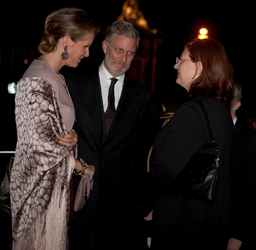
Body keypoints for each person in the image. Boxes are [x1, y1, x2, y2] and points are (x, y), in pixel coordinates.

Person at [10, 7, 101, 250]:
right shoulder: (36, 80)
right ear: (67, 41)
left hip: (52, 197)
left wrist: (71, 137)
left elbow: (54, 132)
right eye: (85, 45)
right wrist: (81, 166)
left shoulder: (55, 76)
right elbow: (41, 148)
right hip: (37, 198)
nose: (87, 53)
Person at [66, 20, 155, 250]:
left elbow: (138, 153)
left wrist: (141, 202)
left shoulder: (142, 96)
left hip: (117, 203)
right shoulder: (74, 84)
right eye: (118, 50)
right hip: (75, 194)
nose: (123, 59)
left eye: (130, 53)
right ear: (105, 47)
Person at [140, 37, 236, 250]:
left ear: (199, 67)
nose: (175, 65)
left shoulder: (192, 111)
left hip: (184, 222)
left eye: (181, 60)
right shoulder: (220, 109)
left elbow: (164, 168)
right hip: (208, 221)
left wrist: (146, 204)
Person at [227, 82, 256, 250]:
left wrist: (238, 236)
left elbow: (251, 194)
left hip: (233, 229)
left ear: (236, 105)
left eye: (225, 100)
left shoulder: (248, 139)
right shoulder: (207, 132)